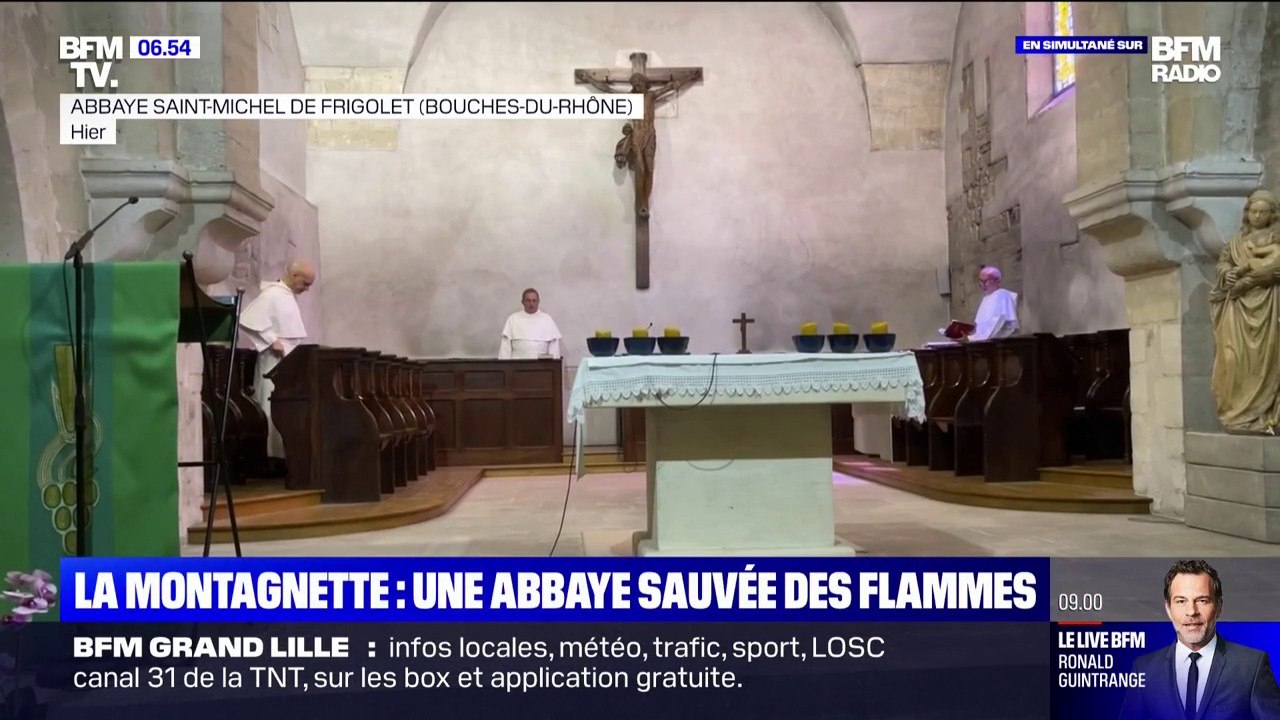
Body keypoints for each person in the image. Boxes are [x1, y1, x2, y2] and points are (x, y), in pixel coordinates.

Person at [1119, 559, 1280, 720]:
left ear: (1218, 607)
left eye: (1202, 601)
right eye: (1181, 601)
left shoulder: (1251, 666)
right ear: (1168, 609)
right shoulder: (1144, 669)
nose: (1191, 611)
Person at [1209, 189, 1280, 434]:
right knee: (1232, 358)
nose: (1258, 216)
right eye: (1254, 211)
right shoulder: (1235, 242)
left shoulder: (1278, 240)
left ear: (1272, 215)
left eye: (1263, 212)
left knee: (1266, 360)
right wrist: (1225, 272)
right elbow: (1224, 263)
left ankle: (1263, 416)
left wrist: (1265, 276)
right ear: (1247, 213)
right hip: (1237, 308)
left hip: (1269, 307)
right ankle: (1236, 413)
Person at [238, 260, 315, 463]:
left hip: (287, 362)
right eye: (305, 283)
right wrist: (272, 340)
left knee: (285, 407)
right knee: (270, 405)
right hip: (273, 362)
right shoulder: (272, 294)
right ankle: (270, 456)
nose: (306, 289)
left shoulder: (286, 296)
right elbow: (247, 319)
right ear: (294, 275)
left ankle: (282, 454)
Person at [499, 288, 563, 360]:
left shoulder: (547, 320)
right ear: (522, 302)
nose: (531, 304)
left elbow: (554, 349)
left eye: (534, 300)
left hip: (542, 366)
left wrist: (553, 366)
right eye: (528, 300)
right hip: (517, 365)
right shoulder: (513, 319)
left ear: (538, 302)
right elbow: (505, 349)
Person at [960, 265, 1019, 342]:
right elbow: (981, 329)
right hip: (983, 342)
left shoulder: (1002, 295)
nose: (982, 285)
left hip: (997, 344)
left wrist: (971, 339)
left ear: (997, 281)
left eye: (986, 281)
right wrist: (969, 337)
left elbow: (997, 323)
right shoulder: (986, 299)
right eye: (980, 281)